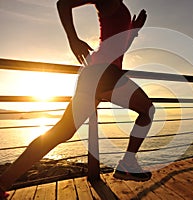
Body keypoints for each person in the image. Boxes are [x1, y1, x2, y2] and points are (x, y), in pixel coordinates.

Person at [0, 0, 154, 198]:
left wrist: (134, 30)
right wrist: (73, 39)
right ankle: (127, 163)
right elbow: (63, 3)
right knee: (147, 109)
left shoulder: (120, 7)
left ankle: (3, 182)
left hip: (95, 74)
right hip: (104, 73)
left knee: (61, 132)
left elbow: (119, 47)